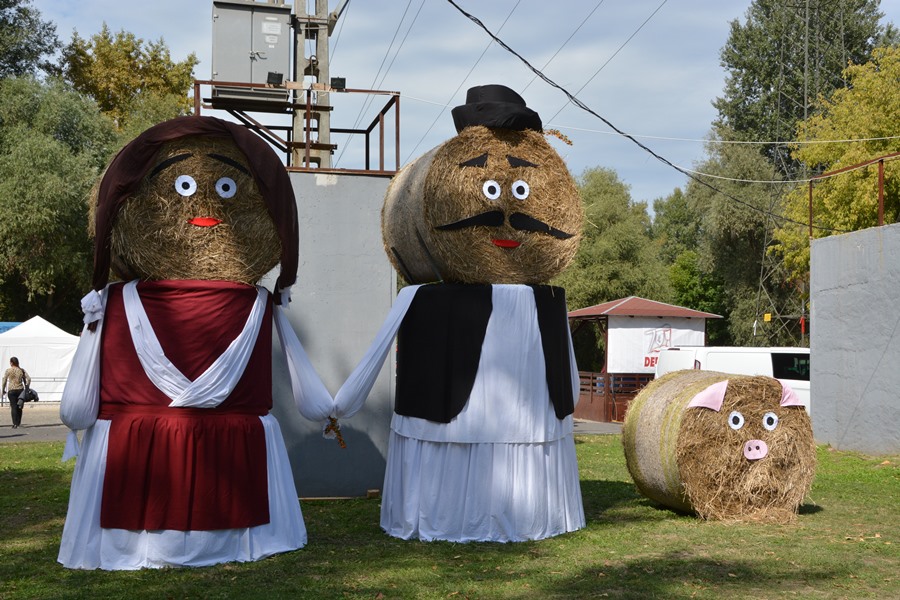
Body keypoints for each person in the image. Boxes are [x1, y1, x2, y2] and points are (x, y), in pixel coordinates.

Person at [3, 357, 31, 429]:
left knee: (13, 407)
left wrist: (3, 389)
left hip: (11, 390)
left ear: (11, 363)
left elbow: (4, 380)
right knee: (19, 406)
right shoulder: (21, 370)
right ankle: (18, 422)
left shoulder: (8, 370)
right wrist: (27, 387)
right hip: (20, 390)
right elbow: (29, 379)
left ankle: (15, 424)